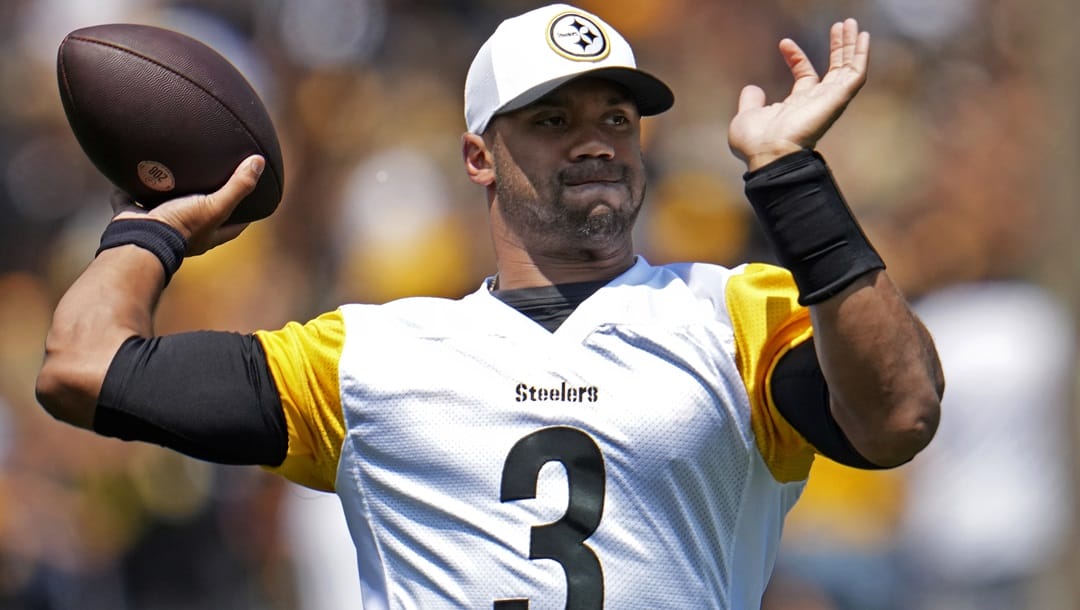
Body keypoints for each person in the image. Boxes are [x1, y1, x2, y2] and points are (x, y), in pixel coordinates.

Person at [35, 4, 943, 608]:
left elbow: (899, 413)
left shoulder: (733, 316)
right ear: (478, 158)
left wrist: (794, 179)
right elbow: (84, 368)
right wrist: (154, 229)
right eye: (553, 121)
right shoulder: (370, 356)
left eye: (616, 119)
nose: (595, 143)